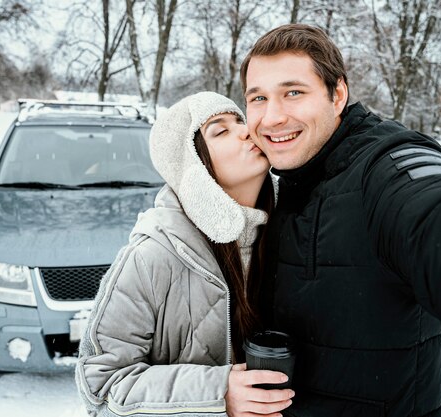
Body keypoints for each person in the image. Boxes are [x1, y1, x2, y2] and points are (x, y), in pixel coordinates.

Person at [240, 24, 441, 417]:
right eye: (258, 97)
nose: (272, 117)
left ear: (337, 94)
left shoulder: (387, 166)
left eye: (293, 92)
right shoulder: (279, 183)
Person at [76, 92, 295, 417]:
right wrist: (217, 394)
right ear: (194, 165)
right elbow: (101, 387)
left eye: (240, 120)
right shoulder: (151, 256)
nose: (246, 130)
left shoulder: (292, 236)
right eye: (221, 131)